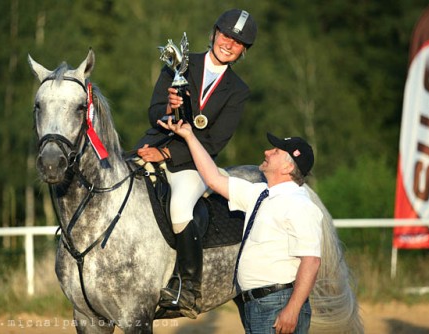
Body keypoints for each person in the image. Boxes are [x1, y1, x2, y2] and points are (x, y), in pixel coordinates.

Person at [134, 9, 257, 319]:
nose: (229, 44)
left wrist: (166, 156)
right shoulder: (180, 65)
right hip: (153, 144)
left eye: (238, 42)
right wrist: (168, 107)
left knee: (180, 206)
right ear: (214, 33)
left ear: (243, 51)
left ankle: (188, 288)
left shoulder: (238, 91)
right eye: (226, 35)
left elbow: (214, 142)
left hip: (194, 164)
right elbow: (153, 113)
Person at [158, 117, 323, 334]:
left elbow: (311, 262)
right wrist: (189, 136)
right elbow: (214, 179)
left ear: (288, 166)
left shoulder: (300, 205)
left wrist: (292, 309)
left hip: (278, 303)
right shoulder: (261, 194)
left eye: (275, 151)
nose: (266, 152)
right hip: (257, 303)